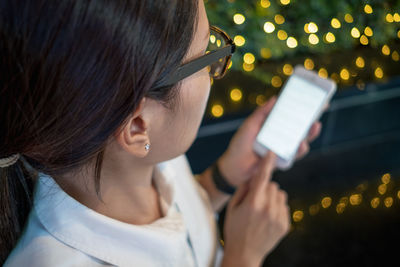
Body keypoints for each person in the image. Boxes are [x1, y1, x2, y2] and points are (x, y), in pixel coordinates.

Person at [0, 0, 322, 266]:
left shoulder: (144, 157)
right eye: (207, 56)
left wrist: (224, 179)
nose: (214, 72)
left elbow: (174, 230)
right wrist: (243, 256)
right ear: (138, 125)